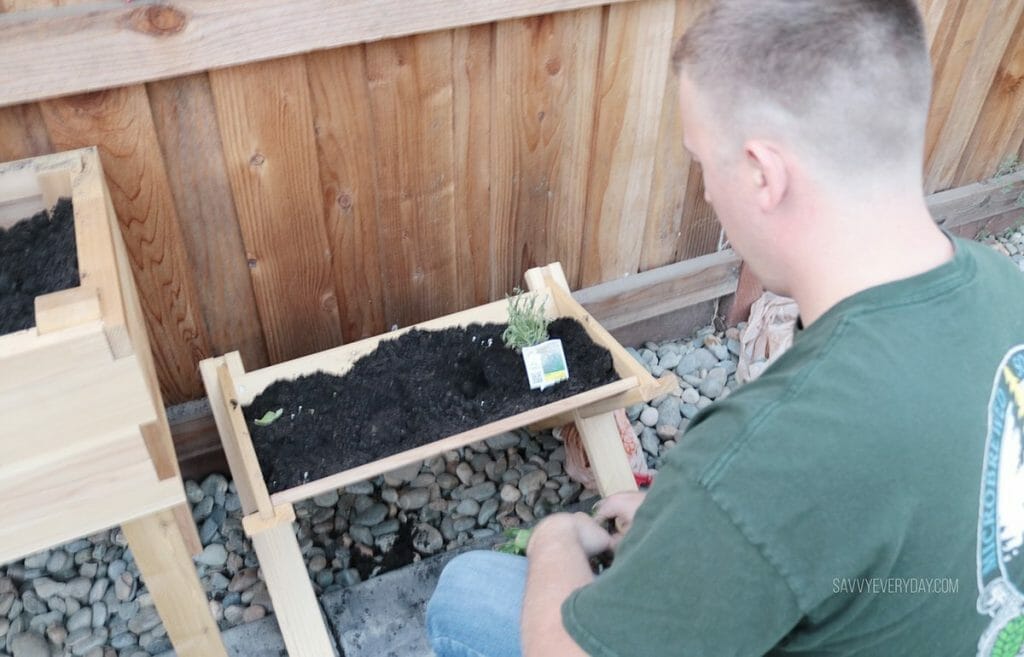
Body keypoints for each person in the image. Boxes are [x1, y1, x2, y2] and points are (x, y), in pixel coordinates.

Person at [426, 0, 1024, 655]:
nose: (708, 190)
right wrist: (685, 535)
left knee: (469, 591)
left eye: (702, 161)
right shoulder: (1005, 290)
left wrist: (554, 541)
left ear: (764, 174)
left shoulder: (770, 448)